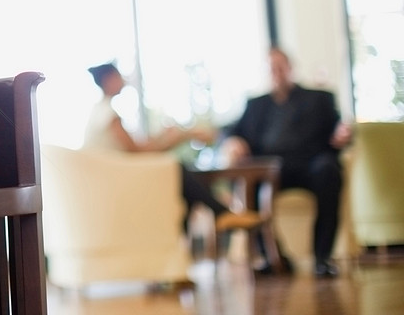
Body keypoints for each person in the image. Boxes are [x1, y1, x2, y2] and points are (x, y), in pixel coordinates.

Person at [219, 46, 352, 277]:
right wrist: (232, 141)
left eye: (280, 67)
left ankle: (322, 258)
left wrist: (343, 134)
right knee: (248, 181)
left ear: (290, 68)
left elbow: (340, 129)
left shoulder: (319, 98)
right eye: (271, 68)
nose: (276, 72)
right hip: (270, 169)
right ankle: (274, 257)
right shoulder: (255, 105)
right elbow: (228, 131)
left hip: (311, 165)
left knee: (329, 170)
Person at [84, 63, 262, 233]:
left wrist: (167, 136)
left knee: (182, 182)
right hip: (114, 181)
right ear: (109, 79)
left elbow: (138, 146)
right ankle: (220, 213)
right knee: (176, 167)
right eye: (119, 76)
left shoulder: (100, 110)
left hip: (110, 177)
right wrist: (181, 137)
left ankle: (208, 221)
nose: (123, 79)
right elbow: (137, 152)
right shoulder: (107, 112)